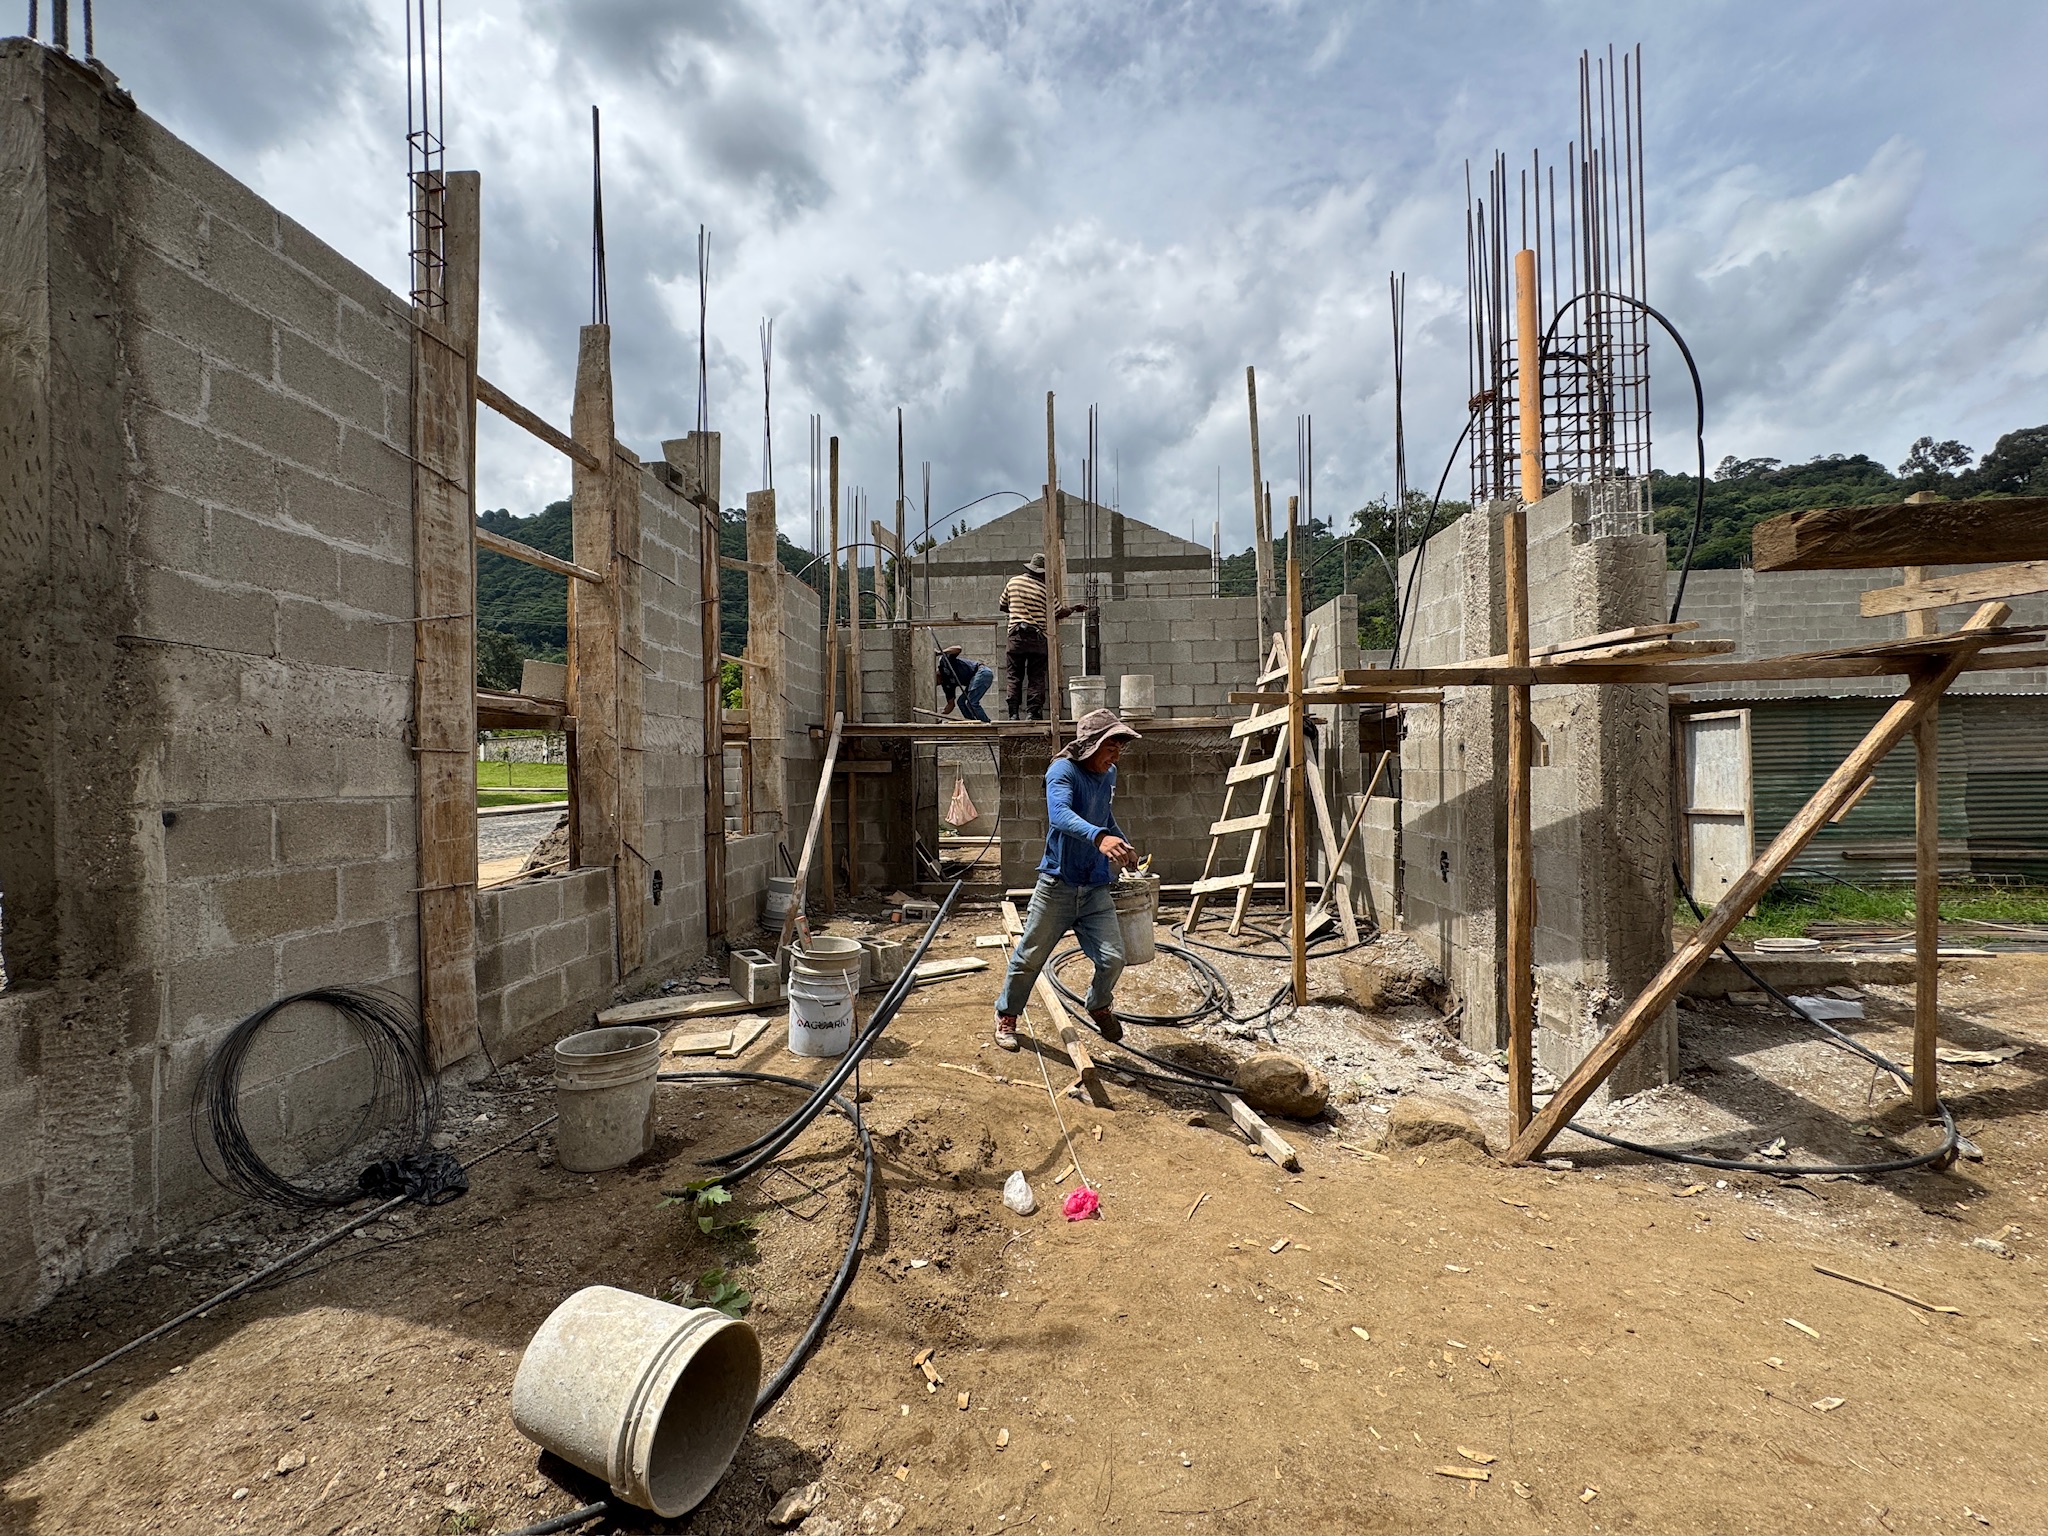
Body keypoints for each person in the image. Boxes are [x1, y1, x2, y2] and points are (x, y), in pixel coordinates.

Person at [991, 708, 1142, 1051]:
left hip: (1094, 887)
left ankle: (1098, 1003)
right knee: (1029, 957)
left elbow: (1104, 815)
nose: (1116, 755)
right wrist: (1099, 838)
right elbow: (1059, 815)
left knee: (1113, 958)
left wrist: (1121, 842)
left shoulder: (1109, 774)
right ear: (1090, 745)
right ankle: (1007, 1014)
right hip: (1058, 885)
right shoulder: (1063, 770)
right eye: (1110, 747)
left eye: (1119, 747)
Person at [997, 553, 1083, 720]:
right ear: (1043, 573)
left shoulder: (1013, 582)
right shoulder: (1045, 590)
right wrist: (1074, 608)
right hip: (1037, 638)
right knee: (1036, 676)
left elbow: (1003, 606)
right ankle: (1033, 713)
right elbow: (1059, 613)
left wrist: (1019, 609)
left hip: (1016, 636)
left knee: (1014, 675)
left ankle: (1013, 714)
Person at [935, 645, 995, 723]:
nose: (938, 684)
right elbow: (951, 704)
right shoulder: (946, 685)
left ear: (936, 674)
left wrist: (940, 652)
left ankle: (987, 724)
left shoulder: (944, 662)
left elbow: (958, 648)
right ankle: (972, 722)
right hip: (973, 680)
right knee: (961, 702)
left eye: (936, 681)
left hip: (981, 672)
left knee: (971, 702)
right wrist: (940, 716)